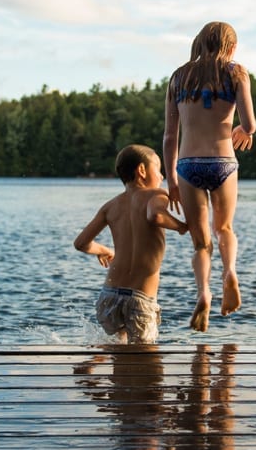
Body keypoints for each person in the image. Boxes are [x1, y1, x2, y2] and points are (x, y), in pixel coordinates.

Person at [163, 21, 256, 332]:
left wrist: (172, 181)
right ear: (230, 47)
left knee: (201, 243)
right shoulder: (236, 72)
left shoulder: (179, 76)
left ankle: (204, 292)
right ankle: (230, 272)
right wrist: (244, 130)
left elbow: (169, 136)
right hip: (223, 161)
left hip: (188, 164)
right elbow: (250, 123)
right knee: (225, 228)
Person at [74, 144, 188, 344]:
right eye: (159, 169)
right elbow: (155, 215)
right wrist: (182, 226)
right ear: (142, 171)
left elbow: (81, 243)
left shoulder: (110, 206)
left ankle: (96, 359)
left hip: (108, 297)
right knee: (147, 367)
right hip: (140, 299)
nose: (162, 176)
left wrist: (103, 250)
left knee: (120, 351)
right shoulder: (155, 195)